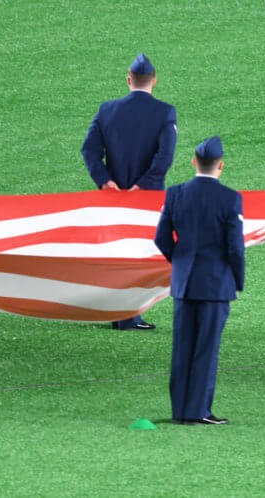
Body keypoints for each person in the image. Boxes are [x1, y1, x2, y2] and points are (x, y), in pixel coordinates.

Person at [80, 52, 177, 330]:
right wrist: (144, 185)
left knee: (116, 252)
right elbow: (164, 156)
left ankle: (115, 310)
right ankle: (127, 315)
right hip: (147, 198)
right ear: (154, 81)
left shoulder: (107, 109)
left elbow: (89, 150)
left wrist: (105, 181)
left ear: (128, 79)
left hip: (113, 196)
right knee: (139, 254)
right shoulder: (164, 112)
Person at [154, 137, 245, 425]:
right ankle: (198, 411)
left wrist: (179, 263)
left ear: (194, 161)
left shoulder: (175, 193)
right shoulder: (230, 198)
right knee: (206, 348)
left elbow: (161, 238)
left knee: (182, 348)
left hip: (184, 283)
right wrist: (237, 280)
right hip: (216, 284)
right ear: (221, 165)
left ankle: (180, 410)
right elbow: (235, 247)